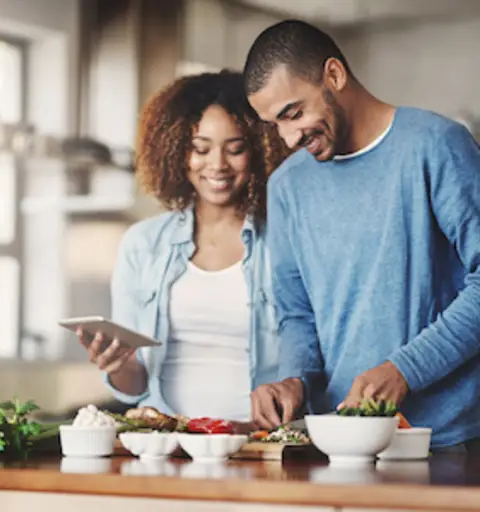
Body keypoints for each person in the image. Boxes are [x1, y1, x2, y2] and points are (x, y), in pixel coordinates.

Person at [243, 19, 480, 451]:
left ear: (334, 75)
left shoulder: (437, 146)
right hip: (336, 440)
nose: (289, 137)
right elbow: (297, 315)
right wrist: (294, 379)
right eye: (273, 124)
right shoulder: (287, 186)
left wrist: (405, 369)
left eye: (293, 113)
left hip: (445, 442)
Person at [78, 71, 287, 423]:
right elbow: (134, 386)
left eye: (235, 149)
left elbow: (309, 361)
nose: (217, 165)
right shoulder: (143, 245)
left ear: (258, 152)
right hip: (166, 443)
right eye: (200, 149)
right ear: (175, 152)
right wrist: (118, 365)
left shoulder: (285, 243)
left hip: (258, 444)